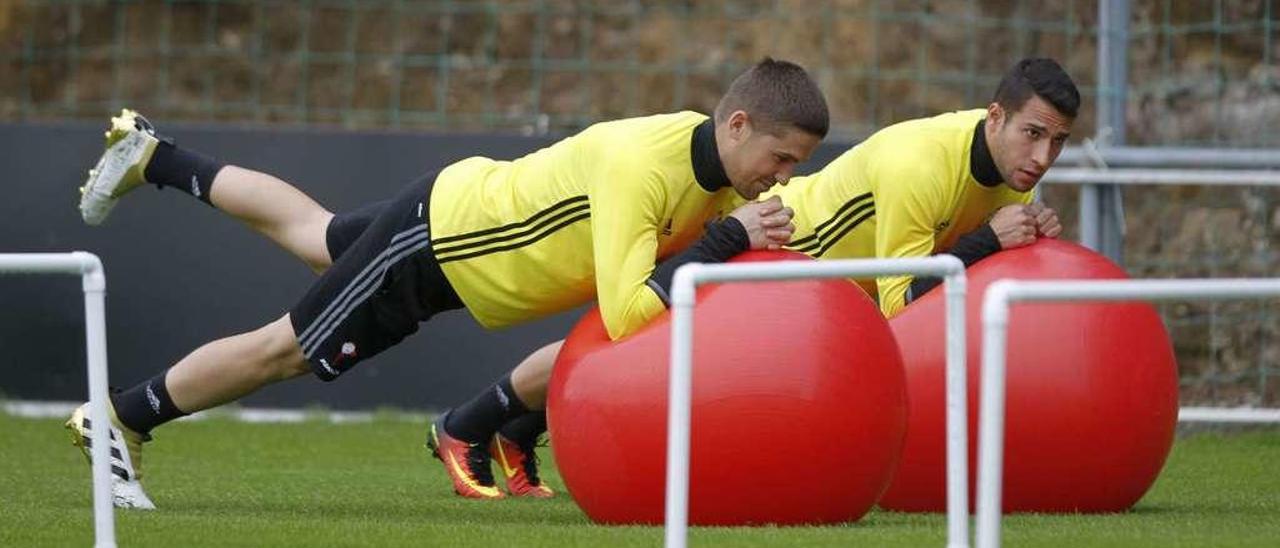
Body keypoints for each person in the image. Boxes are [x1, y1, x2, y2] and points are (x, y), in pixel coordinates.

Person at [66, 57, 830, 507]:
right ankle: (120, 419)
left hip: (456, 214)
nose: (784, 179)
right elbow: (629, 318)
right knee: (287, 351)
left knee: (318, 236)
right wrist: (728, 240)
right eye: (781, 158)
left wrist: (743, 229)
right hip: (441, 246)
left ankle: (154, 158)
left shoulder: (721, 177)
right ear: (736, 127)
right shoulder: (645, 168)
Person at [457, 57, 1078, 498]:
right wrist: (983, 244)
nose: (1042, 158)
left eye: (1057, 142)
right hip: (783, 254)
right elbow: (904, 305)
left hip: (828, 292)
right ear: (995, 117)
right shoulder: (922, 162)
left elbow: (950, 282)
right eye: (1032, 135)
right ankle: (471, 422)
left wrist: (1014, 239)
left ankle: (516, 428)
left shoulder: (1012, 163)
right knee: (642, 345)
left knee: (648, 343)